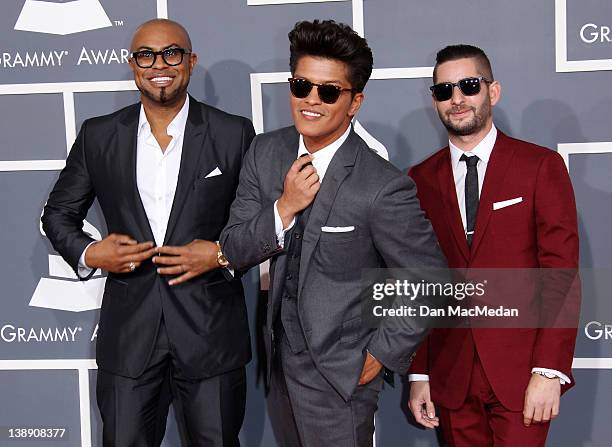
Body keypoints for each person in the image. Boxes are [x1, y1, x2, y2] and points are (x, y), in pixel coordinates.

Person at [220, 20, 446, 447]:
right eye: (301, 85)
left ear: (354, 101)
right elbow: (232, 249)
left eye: (328, 92)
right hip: (278, 366)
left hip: (343, 375)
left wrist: (379, 356)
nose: (310, 101)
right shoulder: (265, 152)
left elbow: (428, 278)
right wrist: (283, 208)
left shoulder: (380, 183)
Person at [41, 19, 255, 447]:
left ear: (190, 62)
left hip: (210, 332)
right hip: (129, 336)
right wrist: (90, 254)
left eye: (172, 53)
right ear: (133, 64)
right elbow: (58, 213)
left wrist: (219, 254)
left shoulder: (234, 133)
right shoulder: (99, 135)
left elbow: (255, 223)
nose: (160, 64)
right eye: (146, 55)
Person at [407, 44, 579, 446]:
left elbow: (562, 275)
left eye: (468, 85)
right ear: (434, 100)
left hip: (522, 374)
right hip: (450, 375)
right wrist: (420, 373)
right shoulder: (419, 179)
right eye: (444, 90)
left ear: (493, 91)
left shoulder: (539, 167)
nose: (457, 99)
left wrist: (549, 370)